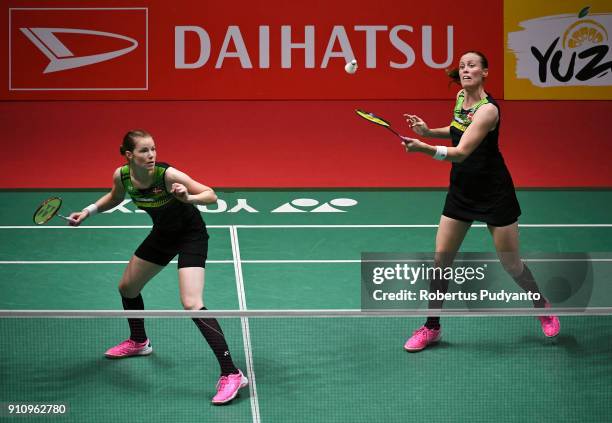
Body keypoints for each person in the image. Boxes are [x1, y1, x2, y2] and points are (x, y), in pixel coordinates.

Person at [68, 130, 248, 404]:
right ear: (129, 155)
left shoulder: (168, 175)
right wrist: (88, 211)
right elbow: (115, 197)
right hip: (163, 234)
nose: (151, 155)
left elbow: (210, 195)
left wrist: (188, 197)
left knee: (191, 302)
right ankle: (139, 342)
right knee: (127, 287)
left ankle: (232, 373)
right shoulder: (123, 176)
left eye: (153, 149)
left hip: (190, 234)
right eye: (144, 151)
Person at [400, 51, 560, 352]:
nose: (465, 70)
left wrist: (423, 148)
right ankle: (431, 326)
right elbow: (457, 131)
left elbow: (461, 152)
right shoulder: (462, 98)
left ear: (486, 72)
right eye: (461, 66)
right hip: (462, 190)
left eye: (472, 65)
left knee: (511, 264)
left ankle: (542, 305)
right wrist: (428, 131)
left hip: (494, 193)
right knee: (440, 261)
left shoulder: (488, 111)